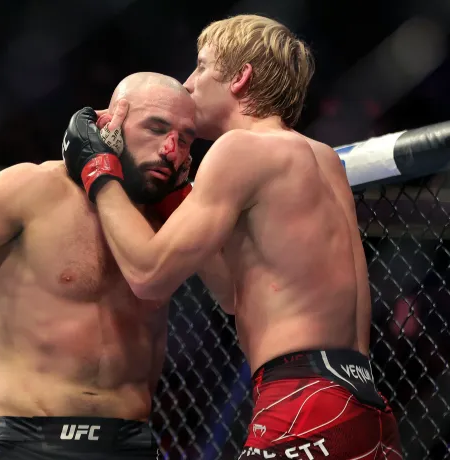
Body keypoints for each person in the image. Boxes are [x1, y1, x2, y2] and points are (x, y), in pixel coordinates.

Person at [61, 14, 402, 459]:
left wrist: (98, 169)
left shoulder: (240, 149)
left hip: (302, 399)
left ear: (240, 78)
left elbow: (148, 274)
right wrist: (176, 197)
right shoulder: (320, 158)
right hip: (363, 402)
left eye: (202, 66)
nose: (188, 82)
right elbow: (233, 296)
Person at [0, 72, 206, 460]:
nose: (171, 149)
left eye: (187, 138)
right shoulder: (37, 188)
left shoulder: (169, 219)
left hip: (132, 440)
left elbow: (234, 294)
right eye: (156, 128)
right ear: (112, 120)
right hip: (31, 439)